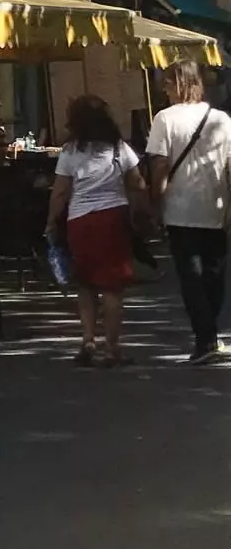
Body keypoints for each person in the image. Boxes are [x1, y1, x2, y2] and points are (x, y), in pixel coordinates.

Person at [47, 94, 148, 367]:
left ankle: (88, 339)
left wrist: (50, 223)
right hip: (113, 219)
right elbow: (138, 184)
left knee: (85, 284)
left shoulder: (70, 152)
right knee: (113, 288)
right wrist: (143, 212)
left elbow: (60, 192)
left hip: (80, 222)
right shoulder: (119, 148)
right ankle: (112, 348)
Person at [144, 61, 231, 365]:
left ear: (178, 84)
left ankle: (205, 337)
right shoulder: (221, 119)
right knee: (215, 274)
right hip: (216, 207)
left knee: (192, 276)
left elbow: (159, 166)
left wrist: (155, 202)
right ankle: (209, 335)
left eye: (167, 84)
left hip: (179, 209)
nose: (164, 90)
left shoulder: (164, 119)